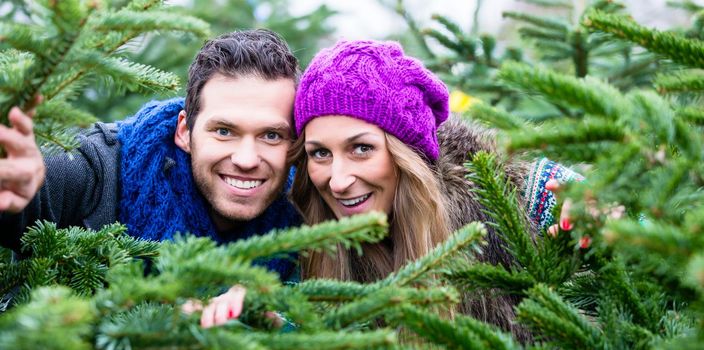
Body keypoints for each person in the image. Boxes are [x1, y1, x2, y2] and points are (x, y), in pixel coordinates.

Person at [288, 39, 582, 339]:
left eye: (361, 148)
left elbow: (625, 223)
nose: (337, 181)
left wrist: (599, 223)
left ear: (407, 155)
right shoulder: (300, 234)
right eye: (320, 153)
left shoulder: (517, 195)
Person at [0, 29, 302, 282]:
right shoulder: (100, 167)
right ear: (184, 131)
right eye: (224, 131)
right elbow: (28, 194)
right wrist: (14, 184)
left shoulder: (305, 210)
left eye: (271, 135)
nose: (246, 159)